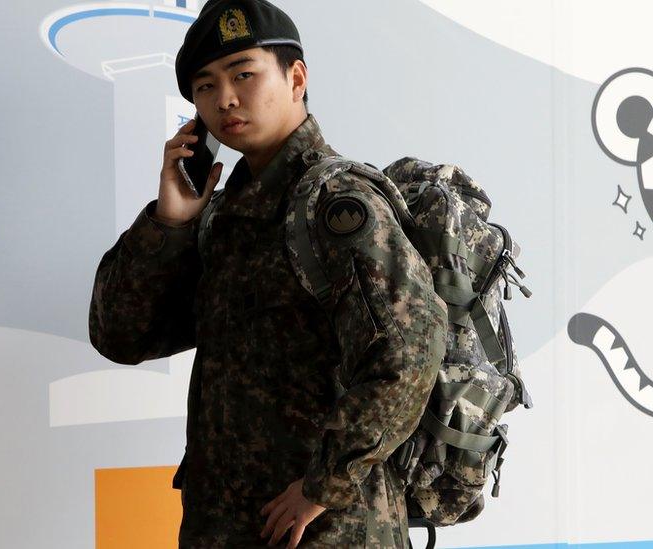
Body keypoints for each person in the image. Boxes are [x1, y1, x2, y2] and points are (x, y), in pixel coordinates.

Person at [87, 0, 448, 546]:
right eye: (205, 86)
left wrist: (323, 484)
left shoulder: (337, 205)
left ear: (296, 77)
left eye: (244, 74)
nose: (225, 98)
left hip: (327, 529)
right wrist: (168, 224)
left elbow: (409, 351)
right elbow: (121, 335)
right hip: (224, 524)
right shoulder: (223, 214)